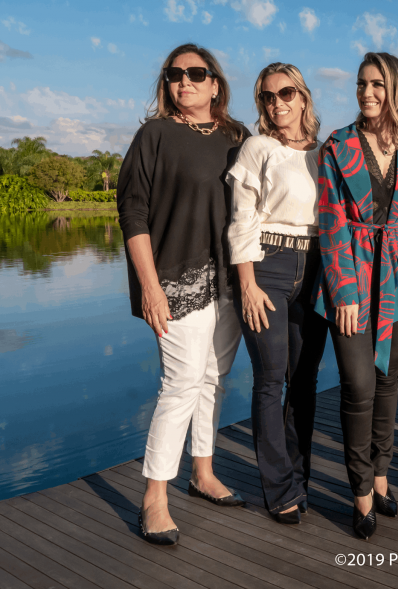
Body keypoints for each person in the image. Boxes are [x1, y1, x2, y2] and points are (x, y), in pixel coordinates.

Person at [118, 43, 251, 546]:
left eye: (196, 73)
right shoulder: (154, 135)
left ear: (215, 83)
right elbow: (133, 212)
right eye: (175, 74)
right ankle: (154, 497)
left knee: (213, 380)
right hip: (176, 280)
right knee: (180, 383)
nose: (185, 81)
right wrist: (150, 288)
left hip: (231, 281)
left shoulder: (238, 137)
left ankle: (203, 472)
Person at [314, 52, 398, 539]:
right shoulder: (337, 145)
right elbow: (329, 221)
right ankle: (361, 492)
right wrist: (343, 291)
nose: (367, 92)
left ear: (395, 89)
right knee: (359, 385)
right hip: (352, 277)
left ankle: (382, 477)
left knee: (388, 381)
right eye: (362, 83)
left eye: (377, 84)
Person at [226, 63, 328, 525]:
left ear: (303, 97)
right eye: (267, 96)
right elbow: (242, 218)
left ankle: (299, 477)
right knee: (270, 379)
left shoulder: (326, 153)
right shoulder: (258, 148)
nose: (276, 103)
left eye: (286, 93)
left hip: (316, 265)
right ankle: (279, 489)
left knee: (304, 381)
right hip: (268, 264)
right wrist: (246, 283)